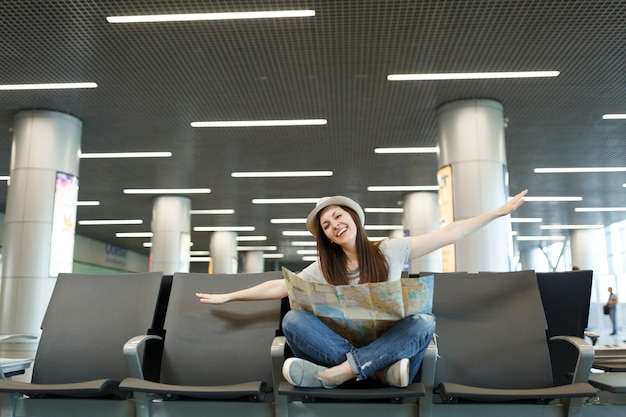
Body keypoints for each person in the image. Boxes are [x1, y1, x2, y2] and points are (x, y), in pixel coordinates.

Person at [196, 189, 528, 389]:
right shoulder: (324, 269)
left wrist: (496, 213)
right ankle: (375, 372)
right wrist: (231, 295)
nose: (333, 226)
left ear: (353, 217)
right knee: (294, 321)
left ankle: (338, 374)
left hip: (394, 345)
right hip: (372, 357)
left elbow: (448, 233)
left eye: (337, 217)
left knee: (425, 322)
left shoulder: (390, 250)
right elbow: (280, 287)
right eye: (326, 225)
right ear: (325, 236)